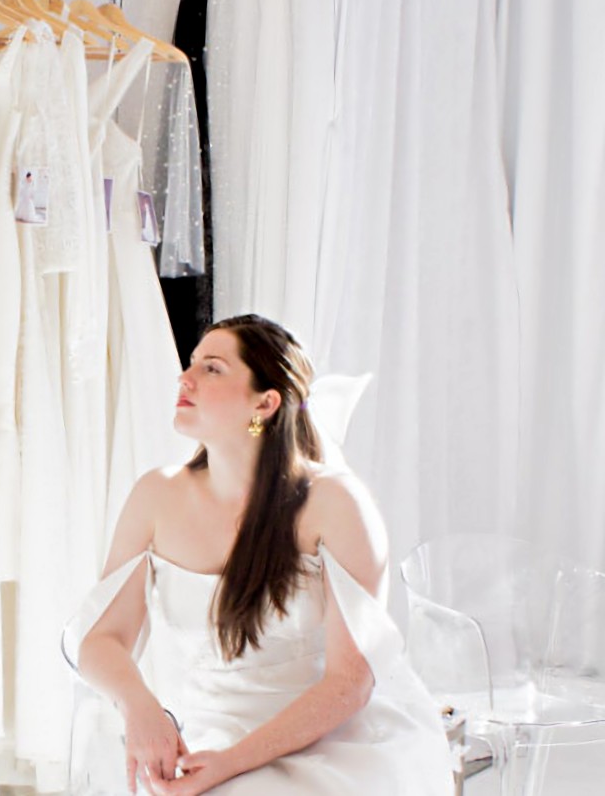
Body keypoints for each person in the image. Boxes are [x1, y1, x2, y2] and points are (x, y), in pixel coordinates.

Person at [69, 315, 454, 795]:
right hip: (205, 734)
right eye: (191, 365)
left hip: (327, 740)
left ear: (265, 403)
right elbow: (101, 638)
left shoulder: (334, 503)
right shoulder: (157, 495)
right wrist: (143, 709)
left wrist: (229, 765)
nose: (184, 379)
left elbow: (349, 683)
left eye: (212, 369)